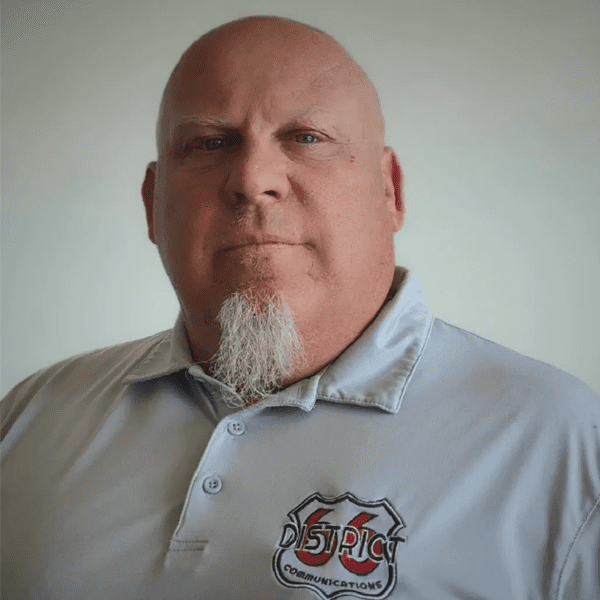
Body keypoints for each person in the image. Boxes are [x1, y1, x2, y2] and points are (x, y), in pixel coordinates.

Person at [1, 15, 598, 600]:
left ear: (389, 191)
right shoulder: (29, 420)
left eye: (306, 138)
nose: (254, 178)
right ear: (154, 205)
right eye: (211, 143)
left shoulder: (567, 449)